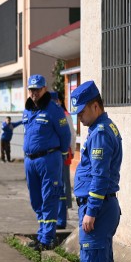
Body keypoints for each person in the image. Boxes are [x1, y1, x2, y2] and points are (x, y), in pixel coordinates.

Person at [66, 81, 123, 262]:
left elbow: (100, 177)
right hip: (104, 207)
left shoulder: (100, 133)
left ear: (95, 105)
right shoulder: (105, 127)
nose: (79, 117)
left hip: (97, 209)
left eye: (82, 111)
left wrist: (90, 211)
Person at [22, 75, 71, 251]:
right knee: (36, 199)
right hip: (30, 161)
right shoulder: (27, 110)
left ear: (44, 89)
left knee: (49, 197)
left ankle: (47, 239)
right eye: (31, 89)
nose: (34, 93)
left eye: (37, 89)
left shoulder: (53, 110)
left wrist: (62, 154)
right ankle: (42, 233)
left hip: (49, 159)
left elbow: (65, 134)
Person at [51, 91, 77, 228]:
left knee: (64, 182)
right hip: (53, 155)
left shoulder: (65, 114)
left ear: (59, 101)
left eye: (54, 101)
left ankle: (65, 211)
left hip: (64, 153)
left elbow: (71, 134)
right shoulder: (50, 113)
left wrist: (71, 150)